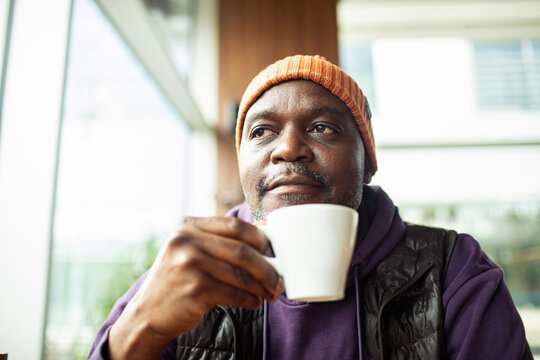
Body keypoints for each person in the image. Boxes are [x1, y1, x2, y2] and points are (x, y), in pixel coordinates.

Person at [88, 55, 533, 360]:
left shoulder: (451, 268)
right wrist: (143, 326)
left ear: (368, 164)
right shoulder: (193, 263)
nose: (289, 148)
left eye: (321, 127)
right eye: (261, 131)